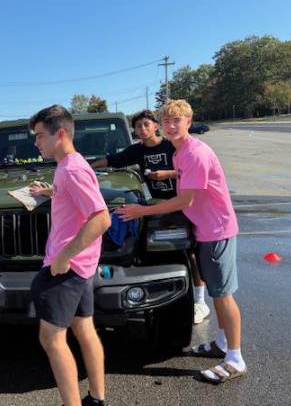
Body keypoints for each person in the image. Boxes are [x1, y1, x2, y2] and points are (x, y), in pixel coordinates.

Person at [117, 100, 246, 384]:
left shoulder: (195, 152)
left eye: (178, 120)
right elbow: (188, 180)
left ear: (189, 122)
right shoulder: (180, 153)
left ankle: (235, 358)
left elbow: (186, 199)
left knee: (224, 295)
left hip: (217, 229)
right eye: (167, 120)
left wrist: (142, 211)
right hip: (204, 228)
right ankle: (222, 344)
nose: (171, 125)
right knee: (216, 290)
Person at [91, 110, 210, 324]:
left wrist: (168, 174)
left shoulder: (170, 146)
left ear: (156, 126)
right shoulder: (136, 151)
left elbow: (191, 170)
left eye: (146, 124)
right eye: (138, 126)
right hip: (156, 207)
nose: (142, 129)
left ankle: (200, 302)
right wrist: (89, 166)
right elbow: (112, 159)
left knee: (190, 253)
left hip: (182, 202)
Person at [29, 105, 111, 406]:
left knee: (51, 339)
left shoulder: (73, 169)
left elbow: (101, 219)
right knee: (84, 328)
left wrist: (64, 256)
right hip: (83, 267)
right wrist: (52, 192)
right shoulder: (69, 165)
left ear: (59, 133)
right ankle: (97, 399)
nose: (36, 142)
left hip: (69, 268)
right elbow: (75, 198)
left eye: (39, 136)